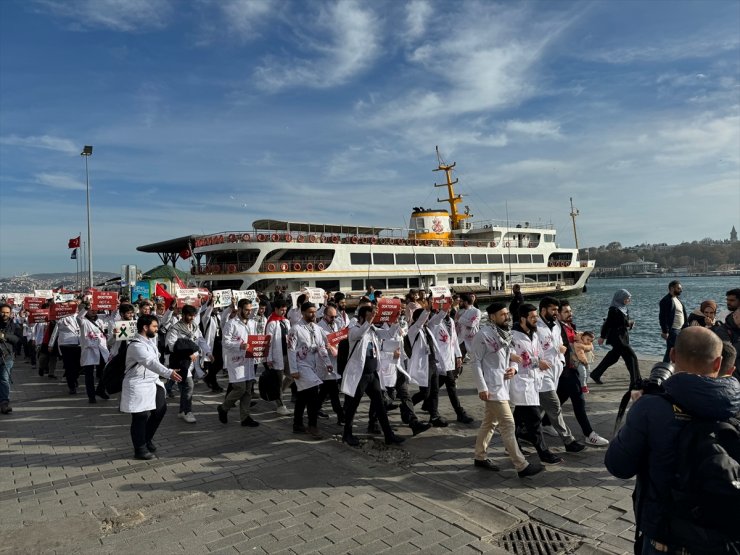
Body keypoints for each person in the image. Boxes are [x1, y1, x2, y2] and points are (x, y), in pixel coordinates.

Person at [605, 327, 740, 554]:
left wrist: (637, 410)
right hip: (722, 538)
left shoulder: (651, 407)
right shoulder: (735, 405)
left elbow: (618, 465)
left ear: (673, 356)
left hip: (666, 538)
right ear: (719, 364)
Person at [471, 302, 543, 477]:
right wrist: (482, 387)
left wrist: (514, 368)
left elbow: (511, 355)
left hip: (504, 385)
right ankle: (521, 465)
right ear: (493, 316)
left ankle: (479, 456)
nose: (507, 317)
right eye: (502, 314)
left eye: (507, 314)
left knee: (490, 422)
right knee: (508, 425)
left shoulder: (506, 333)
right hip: (492, 387)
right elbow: (475, 362)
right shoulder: (483, 335)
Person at [341, 305, 404, 446]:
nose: (373, 316)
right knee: (353, 405)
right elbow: (359, 334)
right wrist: (368, 321)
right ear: (363, 317)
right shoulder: (354, 330)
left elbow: (387, 335)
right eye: (370, 314)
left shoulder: (372, 330)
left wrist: (395, 320)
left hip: (372, 375)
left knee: (380, 404)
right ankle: (347, 434)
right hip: (359, 375)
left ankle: (389, 435)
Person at [121, 314, 183, 460]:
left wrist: (167, 371)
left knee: (160, 410)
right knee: (140, 416)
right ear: (145, 327)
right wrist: (168, 373)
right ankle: (140, 449)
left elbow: (155, 362)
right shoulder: (136, 345)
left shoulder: (149, 342)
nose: (157, 329)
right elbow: (149, 362)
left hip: (153, 382)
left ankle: (146, 438)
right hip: (138, 384)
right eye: (154, 326)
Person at [547, 301, 608, 446]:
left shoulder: (569, 326)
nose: (570, 313)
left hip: (569, 369)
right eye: (566, 311)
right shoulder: (557, 328)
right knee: (579, 401)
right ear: (559, 314)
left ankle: (544, 423)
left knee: (561, 397)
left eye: (570, 311)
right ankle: (589, 434)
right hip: (567, 369)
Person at [511, 304, 562, 465]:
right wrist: (537, 362)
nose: (536, 319)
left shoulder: (533, 334)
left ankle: (512, 444)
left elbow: (538, 353)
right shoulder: (513, 336)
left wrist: (541, 362)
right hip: (522, 383)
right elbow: (514, 357)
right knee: (534, 420)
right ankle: (544, 453)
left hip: (534, 381)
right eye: (532, 317)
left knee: (518, 418)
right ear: (523, 318)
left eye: (536, 316)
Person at [535, 297, 585, 454]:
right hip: (542, 374)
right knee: (555, 407)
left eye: (557, 310)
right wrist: (538, 362)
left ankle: (521, 431)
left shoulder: (555, 327)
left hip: (555, 371)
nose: (556, 312)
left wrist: (562, 360)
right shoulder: (536, 327)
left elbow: (560, 346)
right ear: (543, 310)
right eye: (553, 310)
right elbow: (530, 350)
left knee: (536, 408)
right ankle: (568, 441)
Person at [287, 302, 331, 439]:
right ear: (303, 313)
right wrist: (293, 370)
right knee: (313, 395)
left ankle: (297, 424)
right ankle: (313, 425)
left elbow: (322, 347)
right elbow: (291, 350)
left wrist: (327, 362)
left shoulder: (317, 329)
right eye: (310, 312)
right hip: (301, 365)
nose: (313, 315)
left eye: (314, 312)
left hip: (313, 365)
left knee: (303, 397)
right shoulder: (295, 329)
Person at [165, 304, 213, 423]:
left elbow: (200, 340)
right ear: (183, 315)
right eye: (189, 315)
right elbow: (171, 345)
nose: (192, 318)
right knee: (189, 386)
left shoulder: (195, 327)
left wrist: (208, 353)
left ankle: (182, 411)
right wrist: (187, 352)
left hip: (192, 363)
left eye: (193, 315)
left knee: (184, 388)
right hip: (180, 362)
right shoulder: (175, 328)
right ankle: (187, 411)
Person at [217, 299, 260, 428]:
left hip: (249, 360)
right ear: (240, 309)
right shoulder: (231, 324)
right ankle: (224, 408)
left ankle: (245, 417)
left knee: (247, 390)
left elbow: (255, 339)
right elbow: (225, 343)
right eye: (246, 309)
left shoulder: (252, 323)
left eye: (250, 309)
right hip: (236, 361)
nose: (249, 312)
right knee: (240, 388)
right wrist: (240, 346)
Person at [590, 289, 640, 387]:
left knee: (613, 357)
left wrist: (630, 324)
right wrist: (602, 337)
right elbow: (608, 324)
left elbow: (623, 322)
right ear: (620, 298)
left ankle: (595, 374)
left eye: (629, 298)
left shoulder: (624, 308)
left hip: (623, 336)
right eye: (627, 298)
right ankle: (636, 381)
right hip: (617, 338)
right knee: (631, 357)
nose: (629, 300)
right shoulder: (613, 309)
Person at [49, 303, 83, 395]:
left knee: (79, 366)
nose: (74, 308)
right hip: (66, 345)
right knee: (69, 366)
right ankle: (71, 386)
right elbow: (55, 331)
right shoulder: (61, 317)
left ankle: (74, 378)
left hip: (79, 344)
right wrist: (51, 344)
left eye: (75, 306)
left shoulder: (80, 316)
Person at [79, 309, 110, 404]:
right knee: (89, 375)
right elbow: (79, 317)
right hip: (89, 350)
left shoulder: (100, 320)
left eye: (94, 309)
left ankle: (100, 389)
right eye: (90, 310)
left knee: (105, 372)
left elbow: (112, 319)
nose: (93, 311)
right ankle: (91, 396)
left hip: (101, 349)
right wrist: (86, 306)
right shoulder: (83, 321)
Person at [658, 280, 687, 363]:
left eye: (681, 288)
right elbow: (662, 317)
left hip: (680, 329)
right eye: (678, 288)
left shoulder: (677, 299)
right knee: (677, 350)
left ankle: (664, 368)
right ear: (671, 288)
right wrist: (665, 331)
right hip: (673, 330)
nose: (681, 290)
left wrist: (686, 327)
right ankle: (676, 368)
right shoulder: (666, 300)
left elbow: (682, 314)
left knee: (671, 350)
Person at [0, 304, 21, 414]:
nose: (5, 314)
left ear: (10, 313)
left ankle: (4, 402)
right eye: (3, 312)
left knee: (4, 378)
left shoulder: (14, 325)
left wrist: (5, 336)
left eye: (7, 312)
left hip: (7, 356)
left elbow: (18, 339)